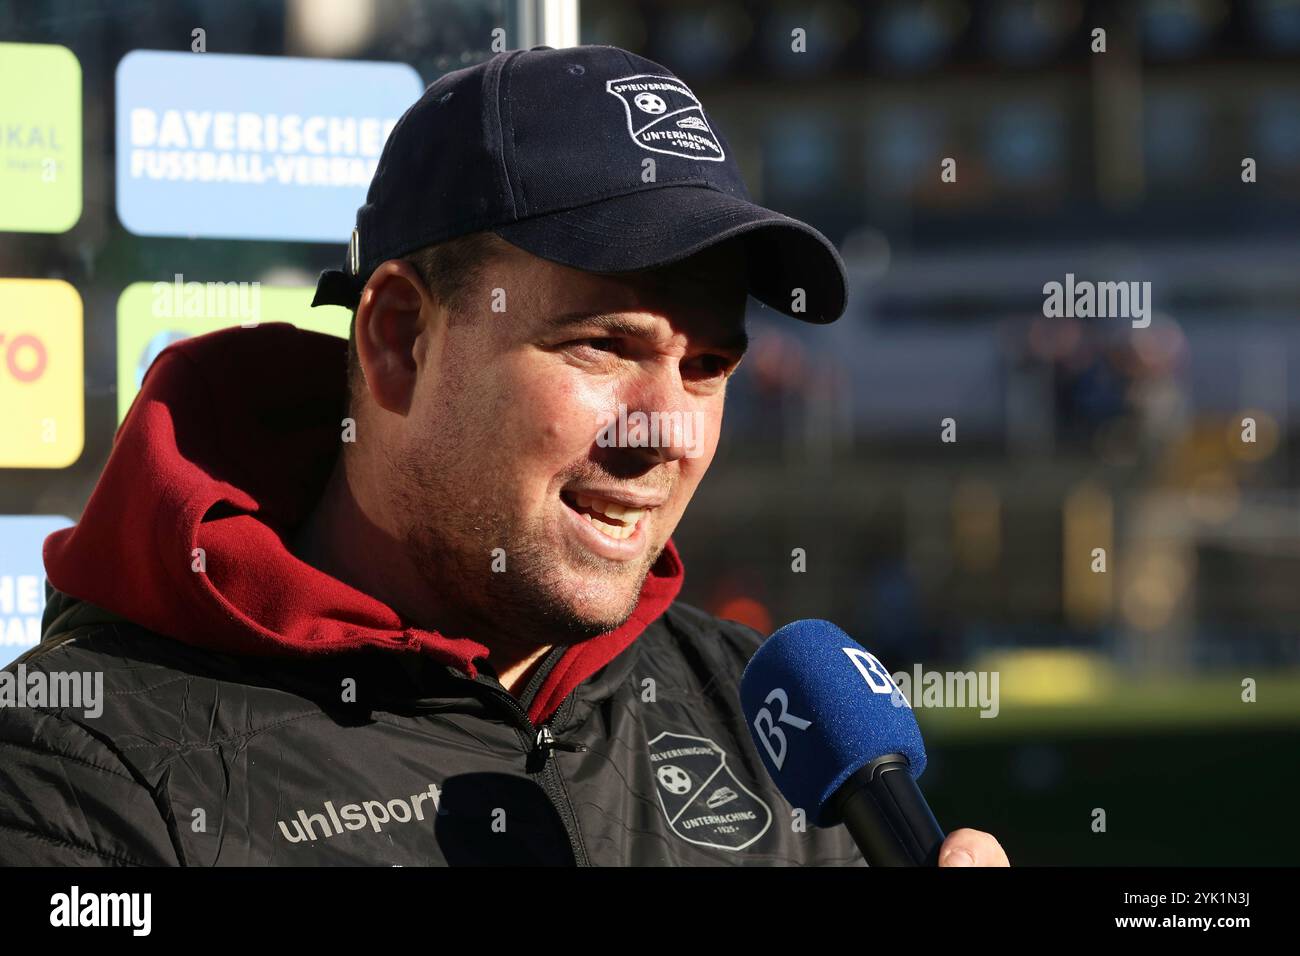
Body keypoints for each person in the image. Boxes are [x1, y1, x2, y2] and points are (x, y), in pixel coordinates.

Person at [0, 45, 1007, 866]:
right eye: (606, 344)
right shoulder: (81, 764)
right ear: (399, 337)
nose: (667, 432)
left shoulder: (763, 715)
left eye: (705, 366)